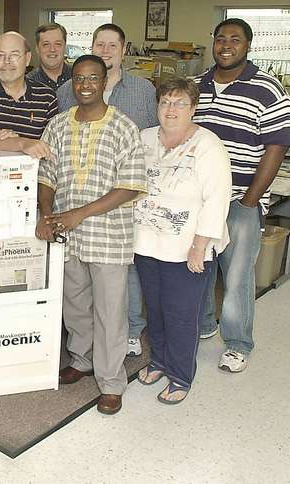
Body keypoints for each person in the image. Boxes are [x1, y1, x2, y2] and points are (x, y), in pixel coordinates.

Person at [36, 55, 146, 415]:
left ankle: (111, 382)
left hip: (109, 236)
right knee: (76, 305)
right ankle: (82, 360)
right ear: (72, 83)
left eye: (93, 79)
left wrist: (78, 214)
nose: (85, 85)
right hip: (68, 235)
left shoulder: (123, 127)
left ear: (104, 82)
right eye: (79, 79)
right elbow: (46, 176)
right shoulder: (57, 126)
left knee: (110, 313)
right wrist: (46, 214)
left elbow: (131, 186)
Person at [57, 23, 159, 358]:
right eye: (99, 44)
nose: (105, 50)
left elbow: (147, 148)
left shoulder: (140, 93)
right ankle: (82, 357)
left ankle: (123, 351)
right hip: (72, 222)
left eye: (112, 45)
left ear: (124, 50)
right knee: (77, 299)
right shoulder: (64, 101)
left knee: (118, 293)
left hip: (117, 215)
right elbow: (55, 160)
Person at [195, 18, 290, 372]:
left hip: (240, 199)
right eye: (221, 38)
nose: (226, 45)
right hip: (200, 199)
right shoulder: (197, 85)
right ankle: (204, 324)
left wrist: (251, 199)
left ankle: (237, 343)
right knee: (199, 267)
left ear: (248, 45)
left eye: (235, 39)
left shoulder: (268, 89)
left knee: (236, 276)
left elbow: (276, 147)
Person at [134, 78, 231, 404]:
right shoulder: (145, 138)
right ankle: (159, 361)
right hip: (147, 243)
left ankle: (180, 375)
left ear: (193, 108)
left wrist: (199, 247)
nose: (171, 109)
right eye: (165, 102)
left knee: (181, 315)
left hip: (188, 248)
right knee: (156, 310)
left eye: (179, 103)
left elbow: (217, 200)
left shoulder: (208, 146)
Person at [0, 31, 57, 201]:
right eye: (0, 55)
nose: (7, 61)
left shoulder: (46, 96)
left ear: (27, 58)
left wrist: (9, 142)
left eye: (14, 55)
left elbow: (49, 149)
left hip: (34, 194)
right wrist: (24, 143)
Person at [27, 23, 72, 91]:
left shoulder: (78, 77)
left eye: (58, 44)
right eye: (46, 44)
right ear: (37, 49)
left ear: (65, 47)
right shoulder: (27, 84)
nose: (52, 49)